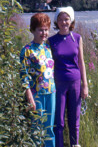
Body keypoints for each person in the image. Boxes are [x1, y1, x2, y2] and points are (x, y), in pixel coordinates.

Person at [48, 6, 88, 147]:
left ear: (71, 21)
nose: (64, 22)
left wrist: (85, 85)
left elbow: (81, 62)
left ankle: (74, 144)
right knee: (58, 121)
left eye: (66, 19)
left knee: (74, 119)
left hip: (75, 83)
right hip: (58, 84)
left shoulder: (77, 38)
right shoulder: (51, 41)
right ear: (56, 22)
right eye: (61, 19)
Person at [20, 13, 56, 147]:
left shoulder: (47, 48)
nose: (44, 33)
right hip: (37, 95)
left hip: (51, 93)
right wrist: (30, 97)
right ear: (33, 30)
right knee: (36, 131)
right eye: (40, 29)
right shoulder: (27, 50)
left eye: (46, 29)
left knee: (49, 130)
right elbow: (24, 76)